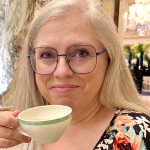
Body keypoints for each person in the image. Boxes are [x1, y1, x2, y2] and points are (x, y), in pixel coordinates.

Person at [0, 0, 150, 149]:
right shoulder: (14, 133)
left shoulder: (137, 135)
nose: (62, 72)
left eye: (81, 53)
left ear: (109, 60)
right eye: (46, 55)